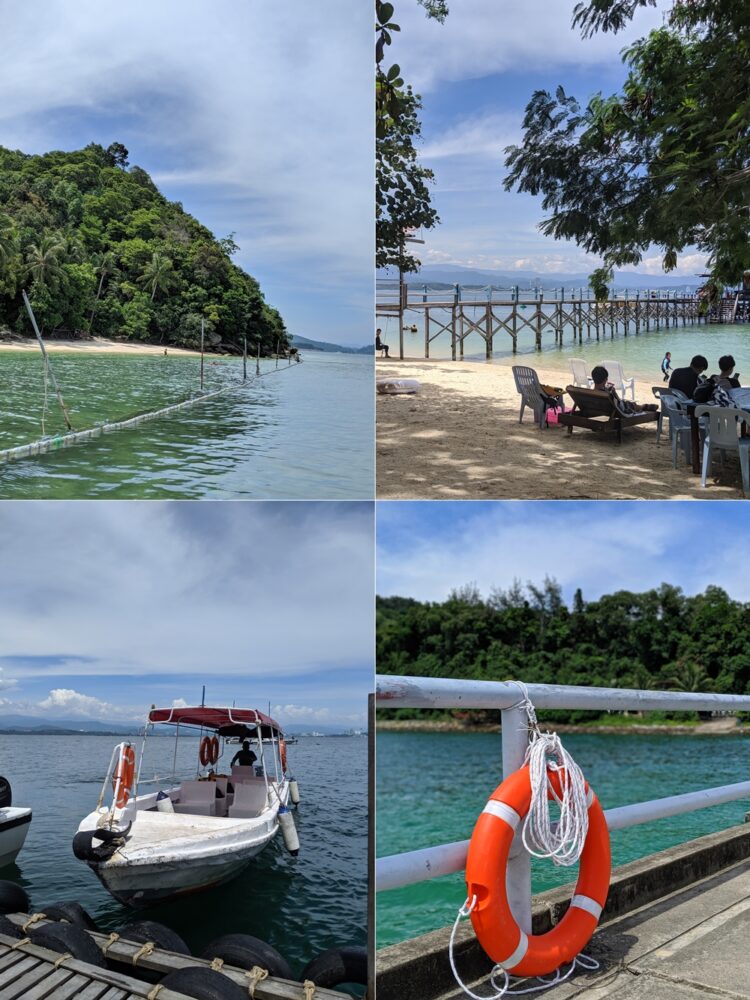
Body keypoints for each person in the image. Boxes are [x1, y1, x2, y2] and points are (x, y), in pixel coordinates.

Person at [591, 365, 657, 414]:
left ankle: (641, 406)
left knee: (630, 403)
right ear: (605, 380)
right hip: (615, 411)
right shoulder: (607, 394)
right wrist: (614, 392)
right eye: (606, 379)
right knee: (632, 404)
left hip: (597, 410)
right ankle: (643, 406)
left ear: (593, 378)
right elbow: (619, 404)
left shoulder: (590, 393)